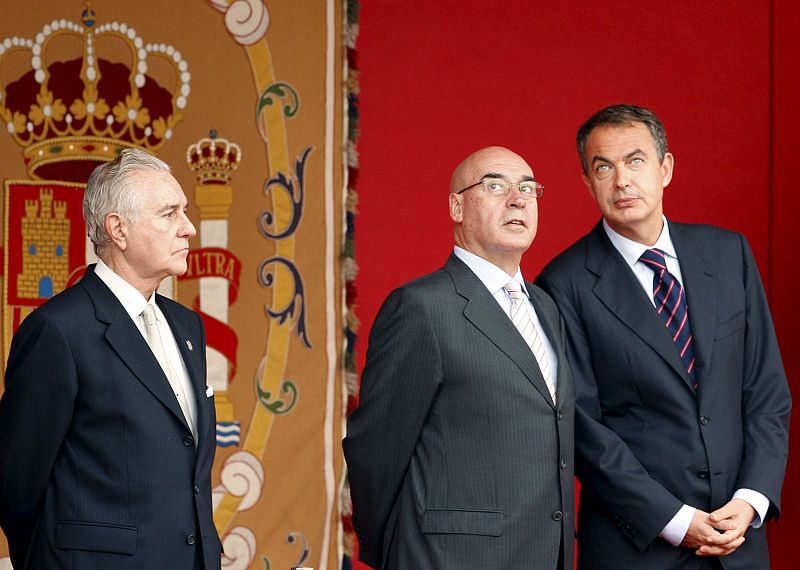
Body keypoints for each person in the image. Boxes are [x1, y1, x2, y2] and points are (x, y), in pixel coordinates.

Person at [537, 104, 791, 569]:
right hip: (638, 546)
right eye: (603, 167)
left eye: (635, 161)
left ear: (665, 168)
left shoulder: (729, 253)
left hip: (739, 542)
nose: (621, 181)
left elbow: (766, 392)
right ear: (587, 182)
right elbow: (581, 426)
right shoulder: (562, 284)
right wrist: (675, 519)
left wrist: (752, 499)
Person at [344, 146, 574, 569]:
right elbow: (375, 446)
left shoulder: (546, 307)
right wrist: (394, 550)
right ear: (456, 205)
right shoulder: (421, 307)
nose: (518, 198)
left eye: (528, 188)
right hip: (450, 558)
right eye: (495, 185)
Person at [0, 148, 222, 569]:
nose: (189, 228)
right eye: (169, 213)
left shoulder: (187, 326)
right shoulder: (59, 330)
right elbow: (17, 485)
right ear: (118, 229)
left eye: (186, 212)